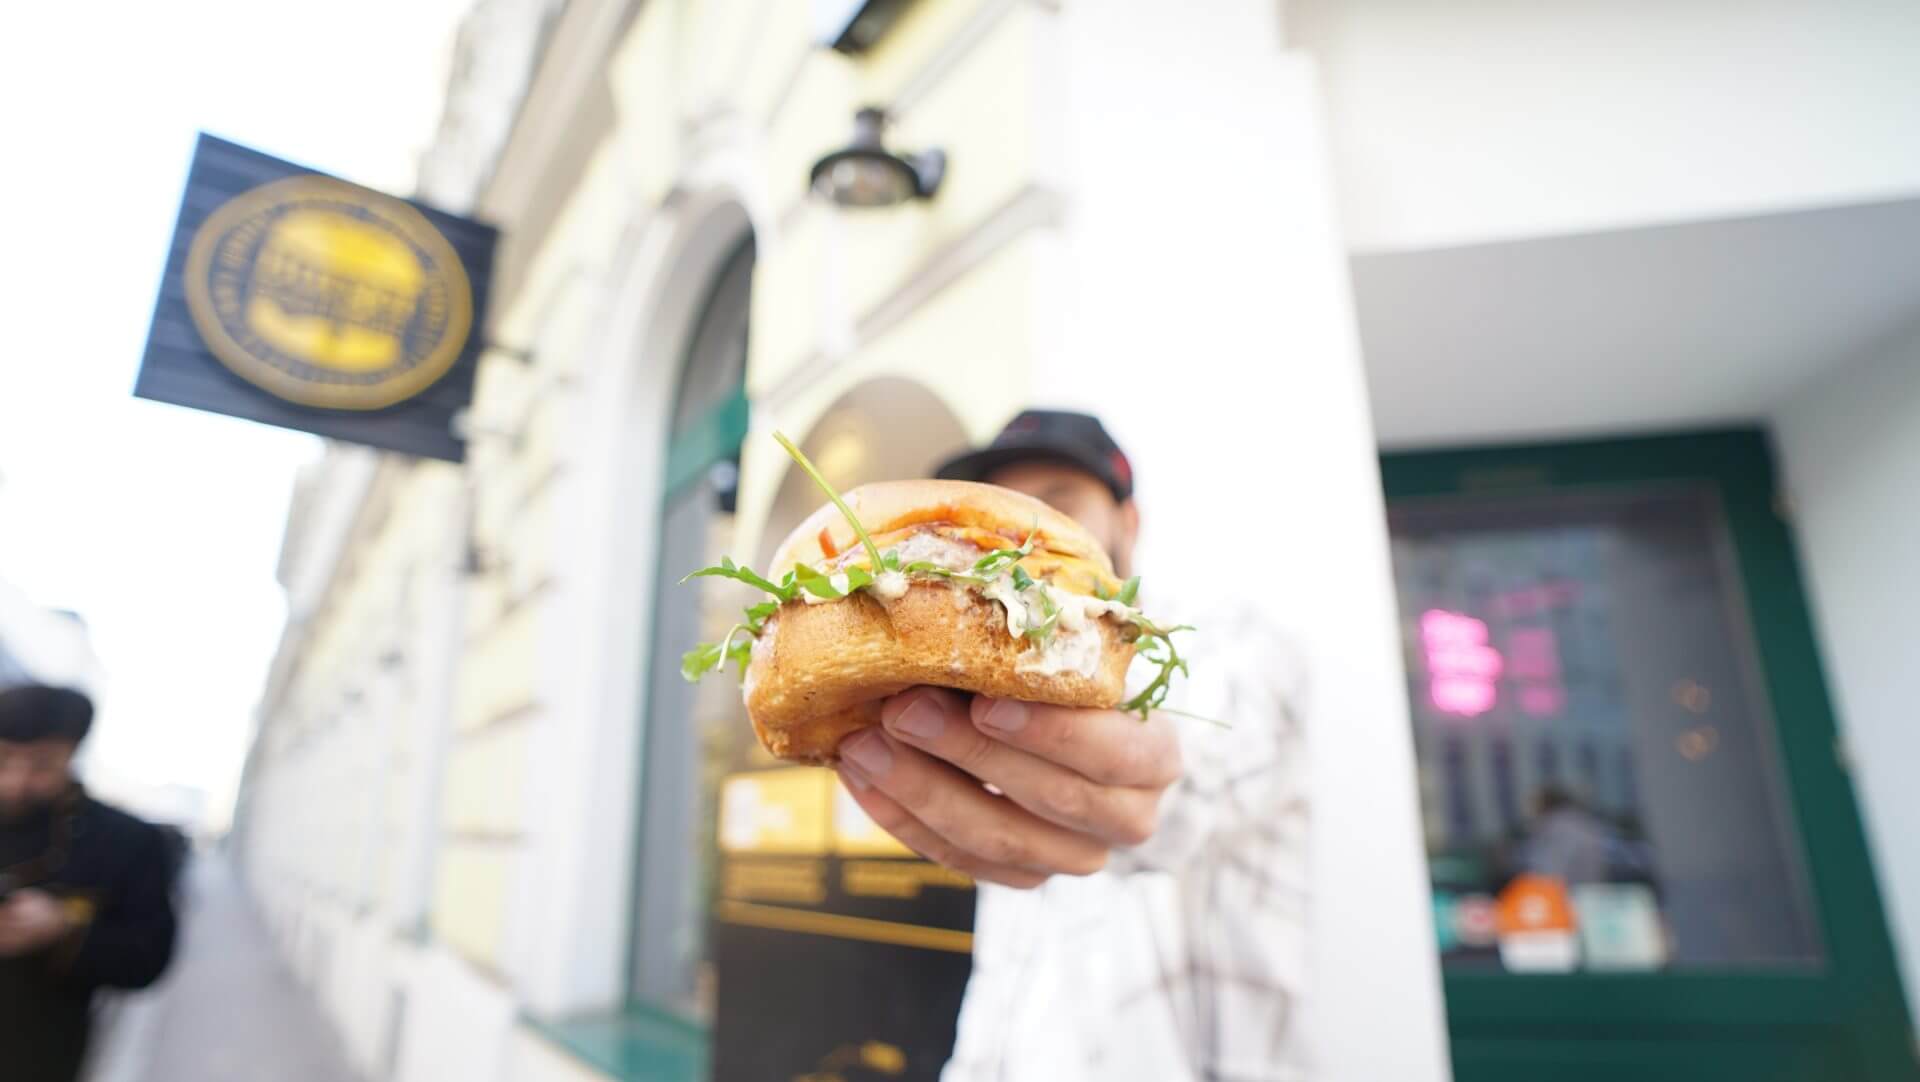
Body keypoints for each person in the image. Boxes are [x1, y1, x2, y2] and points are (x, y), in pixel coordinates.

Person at [832, 410, 1312, 1081]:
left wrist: (1142, 788)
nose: (1019, 535)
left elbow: (1195, 778)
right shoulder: (976, 684)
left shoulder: (1234, 640)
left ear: (1127, 522)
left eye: (1057, 503)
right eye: (996, 516)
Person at [0, 683, 178, 1082]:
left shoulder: (124, 841)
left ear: (72, 752)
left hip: (39, 1055)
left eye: (42, 764)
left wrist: (63, 928)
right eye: (4, 758)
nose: (16, 780)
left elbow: (149, 956)